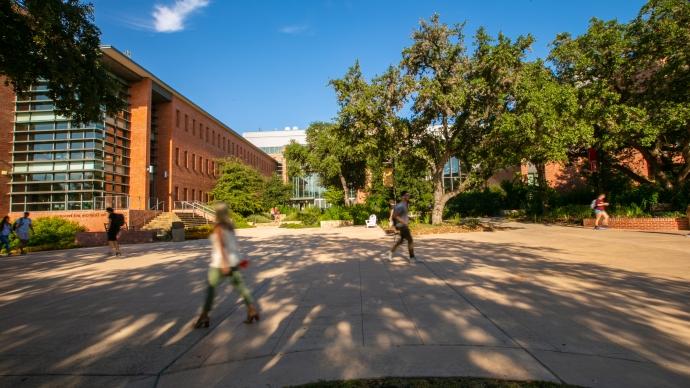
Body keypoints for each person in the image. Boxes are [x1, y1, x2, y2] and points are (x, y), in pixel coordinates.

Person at [194, 203, 259, 329]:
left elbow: (222, 246)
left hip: (219, 264)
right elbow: (233, 245)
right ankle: (252, 310)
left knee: (211, 289)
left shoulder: (218, 227)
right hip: (233, 261)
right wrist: (239, 260)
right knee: (241, 287)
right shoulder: (230, 226)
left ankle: (204, 316)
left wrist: (224, 264)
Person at [388, 191, 417, 263]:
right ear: (403, 197)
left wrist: (409, 218)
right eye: (407, 195)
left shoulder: (405, 205)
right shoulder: (400, 205)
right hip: (401, 225)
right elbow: (395, 216)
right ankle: (412, 257)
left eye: (408, 195)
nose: (408, 196)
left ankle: (390, 253)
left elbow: (403, 215)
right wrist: (403, 222)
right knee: (410, 240)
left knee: (401, 241)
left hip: (403, 225)